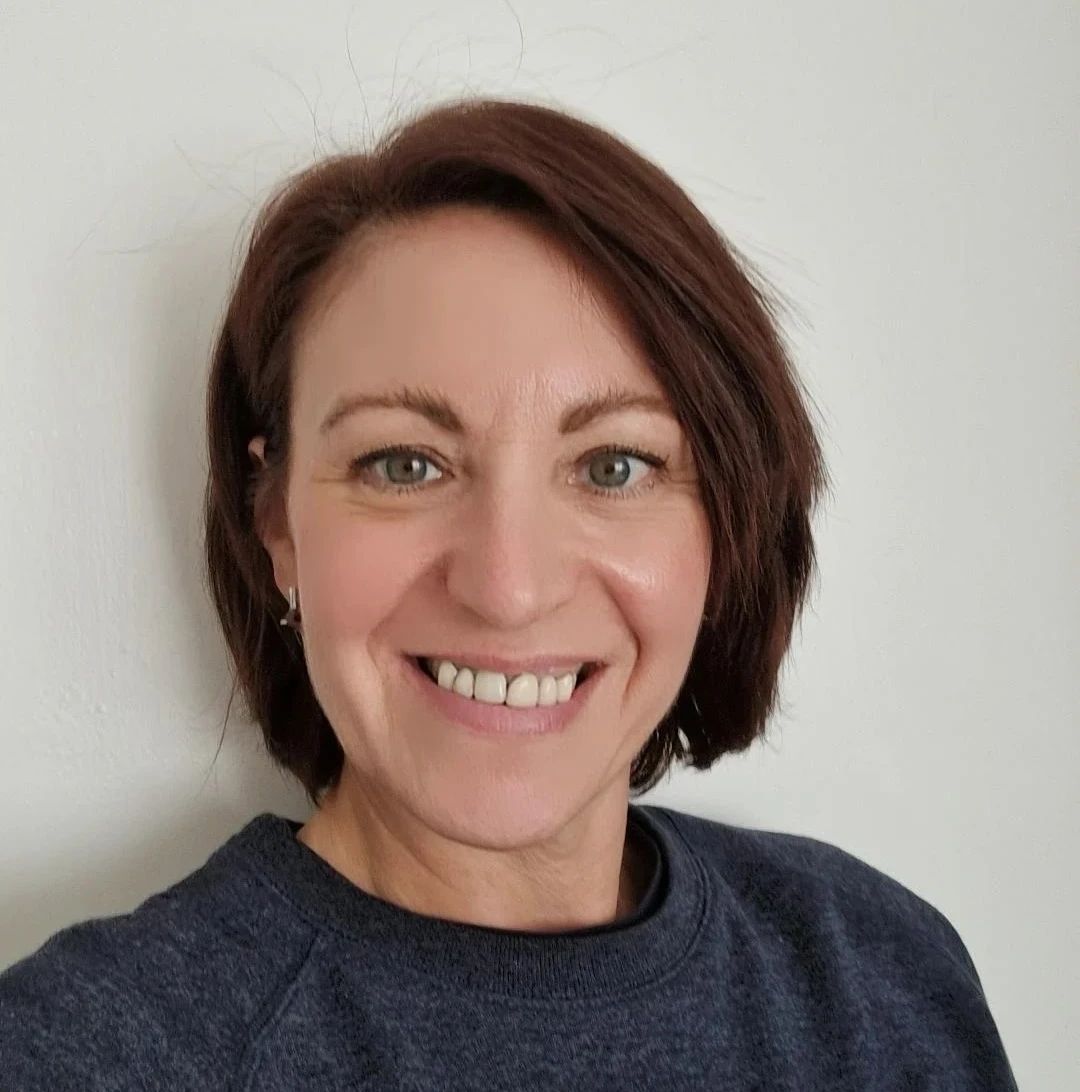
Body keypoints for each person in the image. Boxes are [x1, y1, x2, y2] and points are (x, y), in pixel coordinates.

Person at [0, 95, 1018, 1090]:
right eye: (404, 465)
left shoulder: (881, 978)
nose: (508, 588)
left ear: (728, 526)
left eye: (615, 467)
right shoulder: (81, 1053)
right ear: (278, 529)